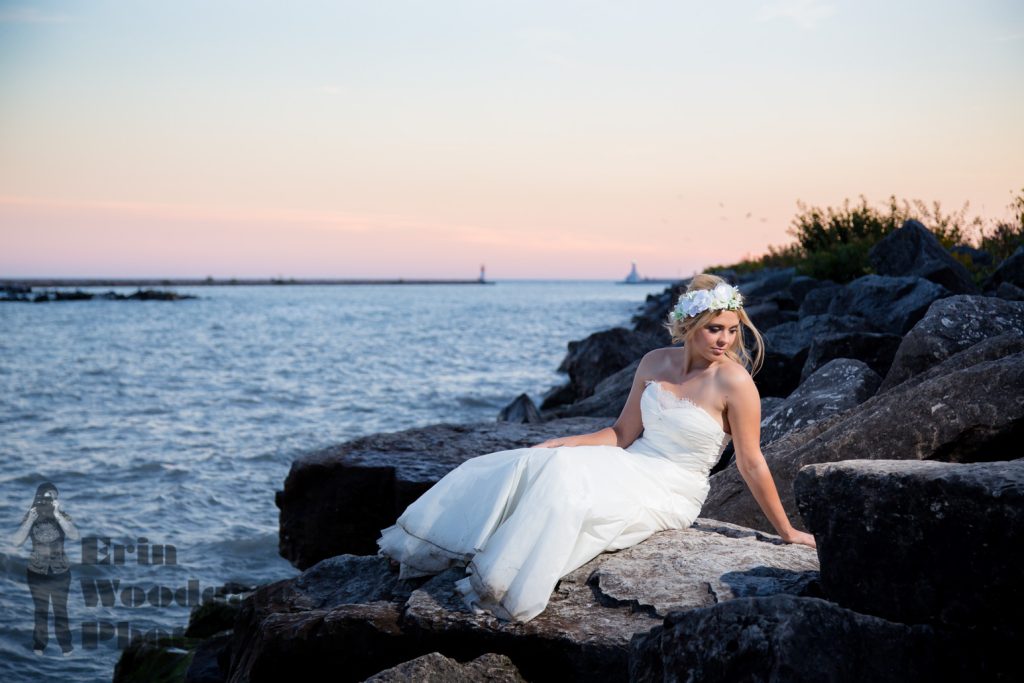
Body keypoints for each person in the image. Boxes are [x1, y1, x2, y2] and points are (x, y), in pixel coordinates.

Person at [376, 273, 816, 623]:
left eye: (732, 331)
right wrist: (567, 443)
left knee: (569, 491)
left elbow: (751, 461)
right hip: (630, 462)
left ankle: (501, 579)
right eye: (713, 329)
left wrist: (787, 532)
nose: (723, 340)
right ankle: (462, 546)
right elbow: (623, 433)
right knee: (542, 462)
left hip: (673, 488)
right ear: (689, 326)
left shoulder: (734, 382)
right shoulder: (654, 362)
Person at [11, 482, 79, 656]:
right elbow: (17, 542)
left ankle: (66, 647)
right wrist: (30, 522)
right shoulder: (31, 516)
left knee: (60, 610)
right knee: (40, 611)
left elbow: (74, 535)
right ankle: (39, 646)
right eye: (45, 498)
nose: (48, 502)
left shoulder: (62, 515)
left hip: (60, 571)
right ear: (37, 498)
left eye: (53, 498)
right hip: (36, 572)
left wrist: (58, 515)